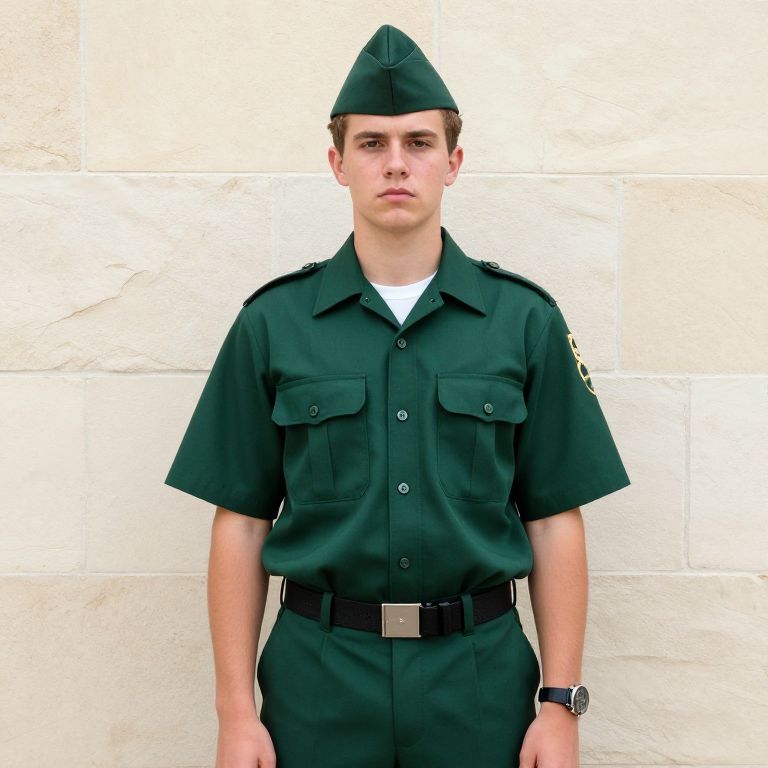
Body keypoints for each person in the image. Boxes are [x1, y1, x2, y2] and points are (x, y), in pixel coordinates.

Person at [164, 23, 631, 768]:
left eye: (417, 143)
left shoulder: (523, 322)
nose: (396, 164)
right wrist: (235, 714)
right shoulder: (274, 324)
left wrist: (560, 703)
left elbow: (553, 521)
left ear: (453, 162)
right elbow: (242, 525)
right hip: (319, 683)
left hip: (477, 685)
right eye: (372, 144)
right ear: (337, 163)